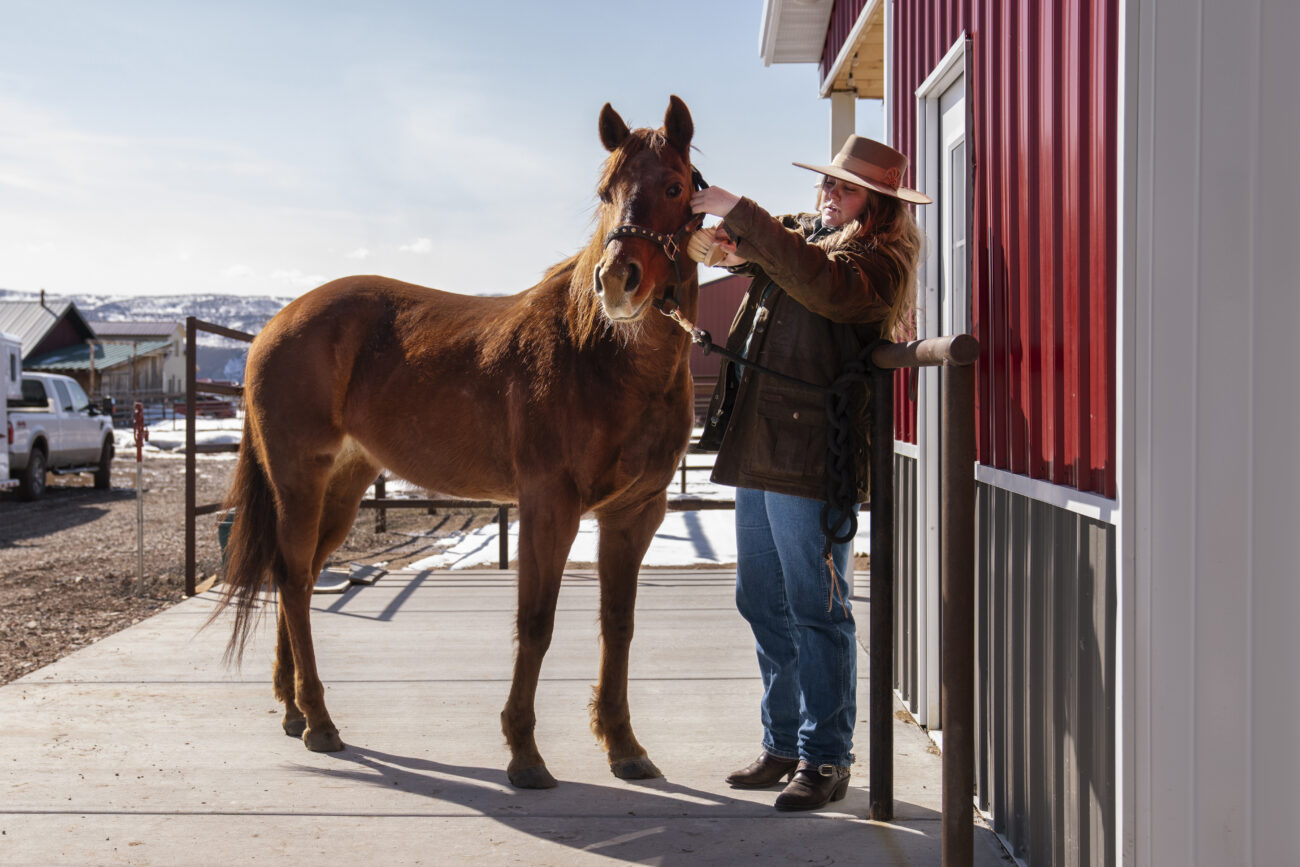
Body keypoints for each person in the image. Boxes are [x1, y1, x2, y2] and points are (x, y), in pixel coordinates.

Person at [689, 135, 929, 811]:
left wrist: (741, 211)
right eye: (828, 185)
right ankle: (784, 742)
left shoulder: (873, 263)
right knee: (761, 599)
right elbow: (765, 256)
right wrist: (717, 239)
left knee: (818, 609)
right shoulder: (806, 242)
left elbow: (819, 283)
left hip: (812, 455)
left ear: (878, 209)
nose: (829, 195)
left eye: (845, 190)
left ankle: (827, 758)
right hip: (759, 445)